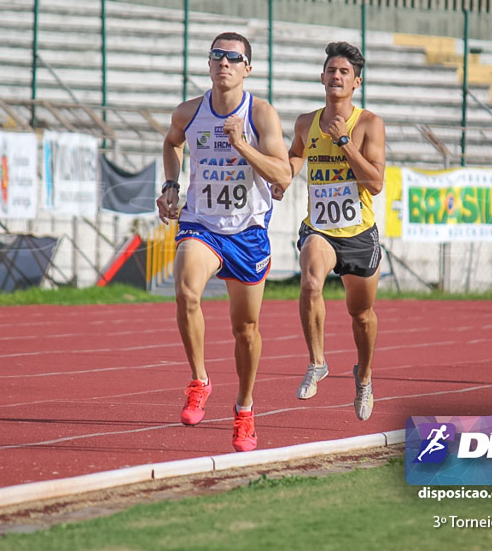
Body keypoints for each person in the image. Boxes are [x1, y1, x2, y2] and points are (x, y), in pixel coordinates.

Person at [156, 32, 290, 452]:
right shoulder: (189, 112)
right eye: (217, 56)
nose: (224, 63)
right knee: (186, 292)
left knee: (245, 329)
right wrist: (172, 184)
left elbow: (283, 176)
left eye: (233, 58)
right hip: (202, 223)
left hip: (248, 231)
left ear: (247, 68)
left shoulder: (262, 115)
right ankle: (200, 380)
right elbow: (171, 143)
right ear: (209, 63)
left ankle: (245, 409)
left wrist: (241, 145)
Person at [272, 41, 386, 420]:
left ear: (356, 82)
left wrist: (344, 143)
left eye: (344, 72)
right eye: (331, 71)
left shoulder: (369, 124)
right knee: (310, 282)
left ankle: (364, 376)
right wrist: (284, 178)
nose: (336, 77)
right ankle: (317, 362)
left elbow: (375, 183)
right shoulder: (306, 122)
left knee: (362, 314)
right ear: (321, 77)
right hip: (320, 228)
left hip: (359, 232)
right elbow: (295, 154)